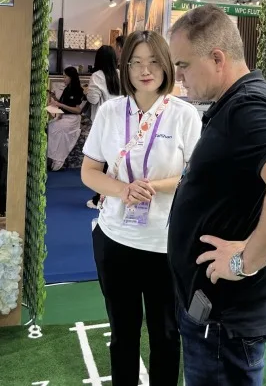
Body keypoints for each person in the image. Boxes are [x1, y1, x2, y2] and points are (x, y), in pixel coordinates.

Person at [168, 5, 266, 386]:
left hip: (226, 322)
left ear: (217, 59)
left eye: (183, 65)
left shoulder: (249, 107)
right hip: (215, 314)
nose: (178, 77)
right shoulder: (235, 104)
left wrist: (243, 262)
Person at [81, 30, 201, 386]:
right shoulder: (110, 112)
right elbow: (89, 172)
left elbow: (194, 177)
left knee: (166, 333)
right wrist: (123, 190)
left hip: (166, 244)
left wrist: (154, 187)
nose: (145, 70)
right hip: (115, 239)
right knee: (123, 333)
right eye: (135, 62)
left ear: (166, 65)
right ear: (125, 67)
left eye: (153, 62)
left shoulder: (184, 115)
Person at [85, 45, 121, 209]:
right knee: (114, 161)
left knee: (99, 163)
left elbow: (93, 99)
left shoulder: (97, 76)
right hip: (121, 122)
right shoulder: (121, 74)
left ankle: (99, 199)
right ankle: (112, 197)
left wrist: (87, 91)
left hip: (103, 123)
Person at [48, 67, 86, 171]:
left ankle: (58, 160)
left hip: (72, 119)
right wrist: (54, 97)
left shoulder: (78, 90)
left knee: (55, 129)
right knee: (50, 126)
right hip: (64, 117)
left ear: (71, 77)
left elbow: (77, 110)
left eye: (65, 76)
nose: (63, 79)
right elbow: (62, 104)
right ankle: (53, 158)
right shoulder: (67, 89)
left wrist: (60, 104)